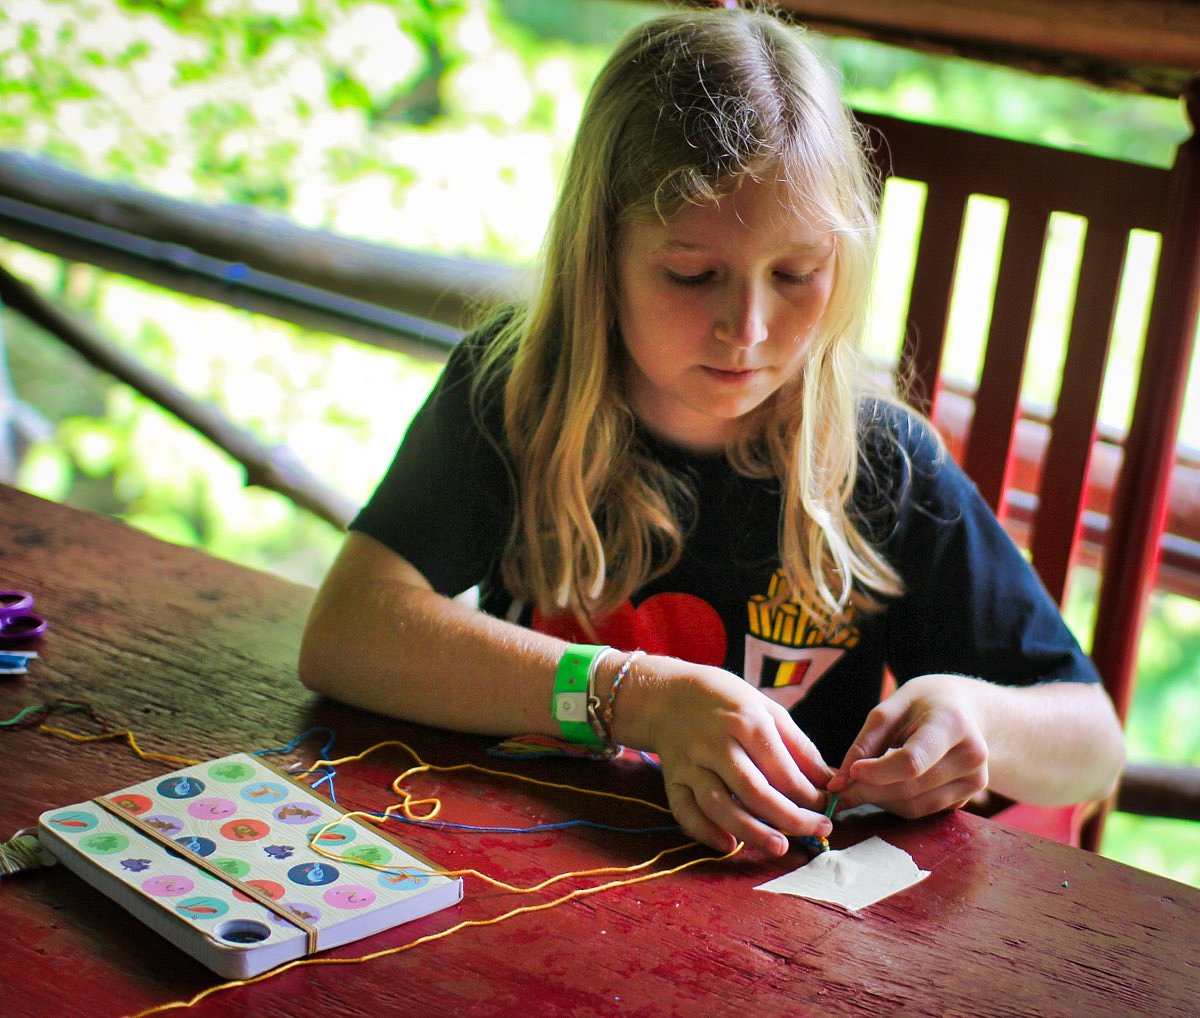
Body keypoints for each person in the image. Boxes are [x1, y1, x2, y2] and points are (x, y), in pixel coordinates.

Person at [299, 6, 1125, 859]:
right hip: (523, 865)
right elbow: (346, 633)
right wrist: (633, 697)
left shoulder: (879, 463)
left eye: (796, 273)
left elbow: (1094, 746)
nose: (748, 329)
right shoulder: (517, 394)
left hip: (780, 905)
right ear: (600, 255)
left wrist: (978, 717)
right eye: (692, 274)